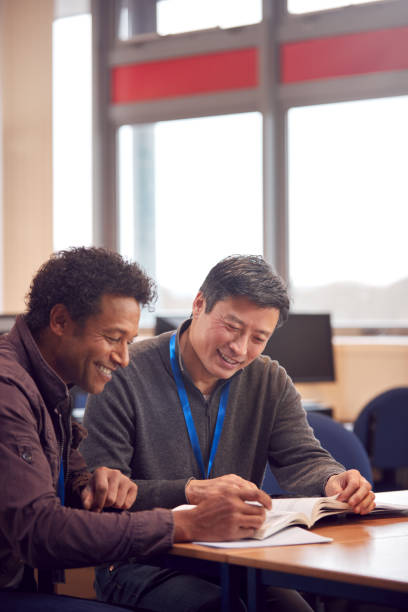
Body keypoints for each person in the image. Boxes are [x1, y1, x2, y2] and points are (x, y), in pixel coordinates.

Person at [81, 254, 376, 611]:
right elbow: (101, 491)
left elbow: (302, 457)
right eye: (232, 328)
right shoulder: (125, 373)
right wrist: (191, 492)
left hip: (236, 556)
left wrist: (334, 480)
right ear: (199, 303)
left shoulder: (269, 379)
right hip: (143, 560)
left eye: (258, 338)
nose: (239, 349)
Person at [0, 248, 270, 612]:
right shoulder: (8, 389)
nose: (124, 359)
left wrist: (93, 486)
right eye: (113, 338)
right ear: (60, 321)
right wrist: (184, 525)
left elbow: (65, 481)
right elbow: (38, 532)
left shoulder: (49, 384)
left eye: (128, 342)